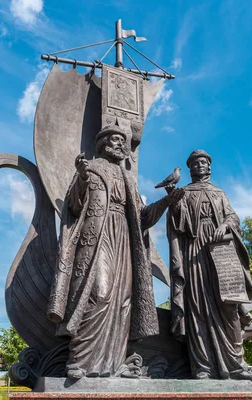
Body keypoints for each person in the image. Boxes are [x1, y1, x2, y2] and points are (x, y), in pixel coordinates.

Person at [47, 124, 184, 380]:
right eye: (116, 140)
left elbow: (142, 219)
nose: (122, 145)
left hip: (124, 240)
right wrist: (82, 178)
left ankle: (112, 364)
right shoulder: (91, 169)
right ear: (103, 144)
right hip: (98, 238)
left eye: (124, 141)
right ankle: (79, 360)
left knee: (123, 301)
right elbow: (74, 207)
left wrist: (166, 201)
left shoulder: (127, 180)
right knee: (98, 293)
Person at [166, 150, 252, 380]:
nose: (199, 165)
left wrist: (225, 225)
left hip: (220, 252)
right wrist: (174, 202)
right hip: (195, 251)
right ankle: (202, 366)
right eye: (195, 163)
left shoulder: (219, 193)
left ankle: (236, 365)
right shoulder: (184, 192)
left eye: (203, 162)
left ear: (209, 167)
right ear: (189, 168)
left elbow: (233, 217)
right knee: (197, 306)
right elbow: (178, 222)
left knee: (228, 308)